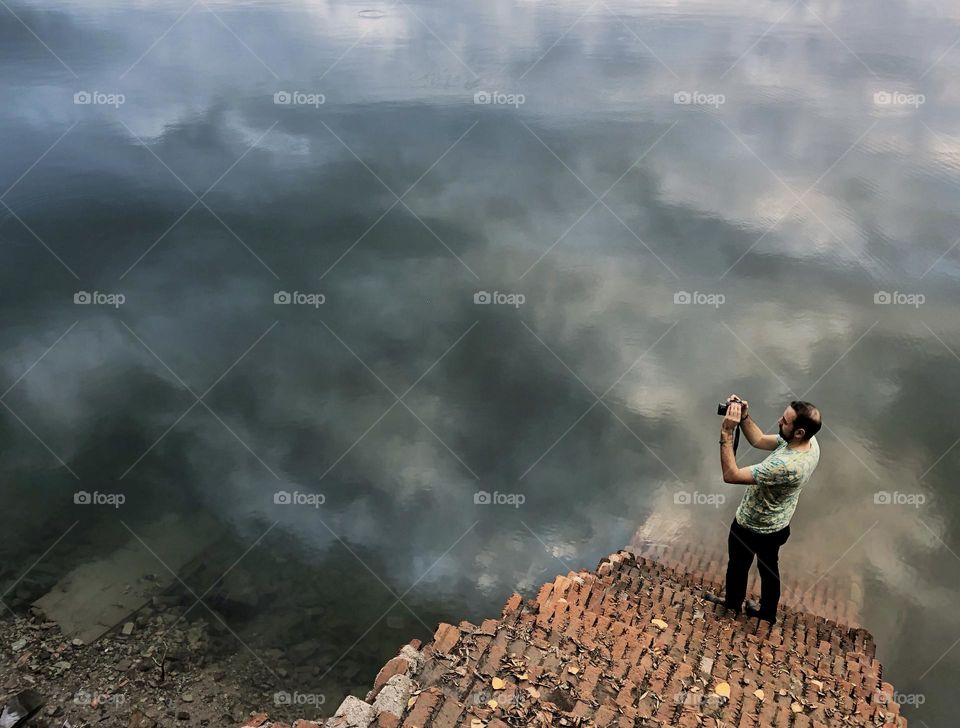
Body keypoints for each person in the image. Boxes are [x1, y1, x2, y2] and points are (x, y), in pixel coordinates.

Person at [703, 396, 821, 623]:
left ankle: (732, 605)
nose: (779, 421)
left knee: (738, 566)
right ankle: (767, 613)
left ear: (799, 432)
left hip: (752, 525)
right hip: (779, 524)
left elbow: (731, 475)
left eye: (785, 421)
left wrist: (727, 432)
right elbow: (758, 440)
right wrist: (744, 416)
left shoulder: (784, 466)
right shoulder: (810, 444)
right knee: (769, 568)